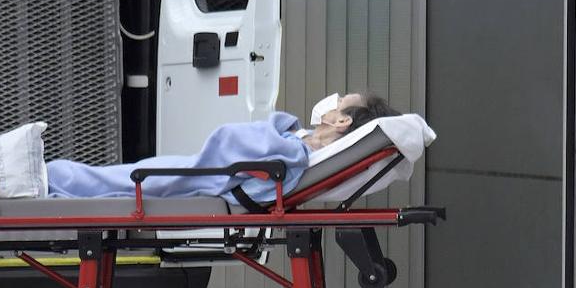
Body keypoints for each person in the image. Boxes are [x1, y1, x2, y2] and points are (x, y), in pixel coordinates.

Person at [46, 97, 398, 203]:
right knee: (122, 176)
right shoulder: (297, 145)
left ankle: (51, 178)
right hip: (199, 171)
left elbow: (232, 140)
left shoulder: (293, 155)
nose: (331, 102)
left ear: (341, 123)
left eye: (339, 103)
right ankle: (55, 177)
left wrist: (283, 132)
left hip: (202, 178)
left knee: (123, 180)